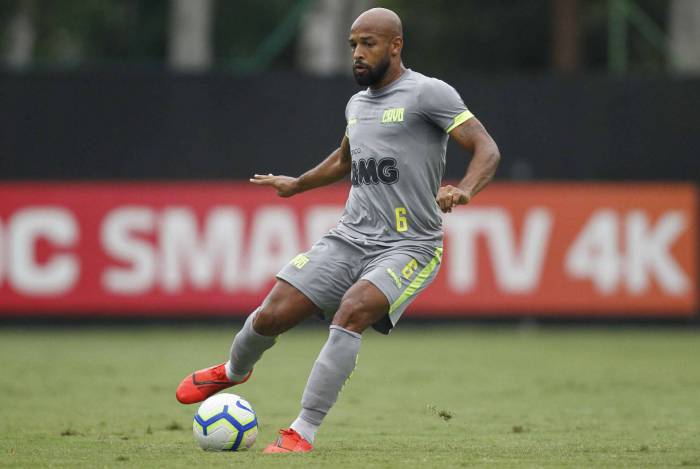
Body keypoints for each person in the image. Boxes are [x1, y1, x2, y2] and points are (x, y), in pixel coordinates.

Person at [175, 7, 500, 453]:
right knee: (271, 314)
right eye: (352, 45)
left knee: (352, 311)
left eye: (368, 44)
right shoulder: (357, 103)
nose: (358, 54)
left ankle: (301, 431)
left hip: (409, 246)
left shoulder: (428, 93)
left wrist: (464, 190)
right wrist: (298, 184)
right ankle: (233, 371)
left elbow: (487, 147)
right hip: (350, 237)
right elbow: (345, 160)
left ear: (395, 46)